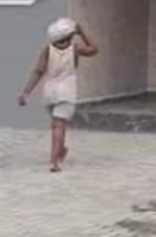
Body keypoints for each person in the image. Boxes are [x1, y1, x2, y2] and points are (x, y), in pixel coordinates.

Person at [18, 18, 98, 171]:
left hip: (50, 93)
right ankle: (55, 161)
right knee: (59, 126)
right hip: (66, 93)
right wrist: (82, 33)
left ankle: (60, 151)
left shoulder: (47, 49)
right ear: (70, 35)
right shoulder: (75, 49)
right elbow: (94, 49)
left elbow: (38, 71)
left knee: (56, 125)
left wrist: (26, 92)